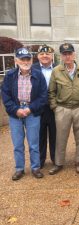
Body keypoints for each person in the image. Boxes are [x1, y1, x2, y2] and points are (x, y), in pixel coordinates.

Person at [1, 47, 47, 180]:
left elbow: (43, 96)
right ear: (16, 60)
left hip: (32, 112)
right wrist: (16, 110)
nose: (25, 61)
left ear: (31, 60)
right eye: (22, 59)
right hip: (15, 113)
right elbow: (5, 95)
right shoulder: (10, 75)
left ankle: (35, 168)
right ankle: (19, 168)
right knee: (17, 144)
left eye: (27, 59)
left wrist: (30, 108)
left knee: (34, 143)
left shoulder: (38, 75)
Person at [48, 43, 79, 174]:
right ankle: (59, 163)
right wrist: (55, 107)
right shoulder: (56, 71)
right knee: (61, 137)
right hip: (62, 109)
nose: (67, 56)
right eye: (64, 54)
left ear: (74, 54)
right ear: (61, 56)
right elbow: (51, 92)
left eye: (69, 53)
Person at [32, 44, 56, 168]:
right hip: (38, 108)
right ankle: (40, 161)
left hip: (54, 108)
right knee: (40, 136)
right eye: (42, 54)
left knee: (54, 135)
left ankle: (55, 159)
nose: (45, 56)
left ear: (52, 56)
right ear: (38, 56)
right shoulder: (32, 68)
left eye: (47, 54)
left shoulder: (58, 68)